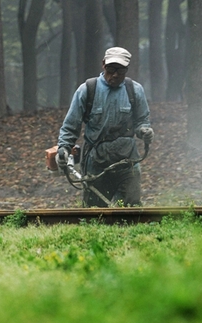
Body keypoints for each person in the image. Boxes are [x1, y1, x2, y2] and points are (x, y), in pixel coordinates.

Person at [56, 46, 154, 207]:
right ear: (103, 65)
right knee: (95, 212)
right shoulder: (87, 90)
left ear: (126, 70)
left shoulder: (135, 90)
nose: (115, 74)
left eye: (120, 70)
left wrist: (145, 131)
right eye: (111, 69)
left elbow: (142, 120)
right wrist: (64, 148)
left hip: (127, 161)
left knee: (131, 209)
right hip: (96, 161)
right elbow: (70, 126)